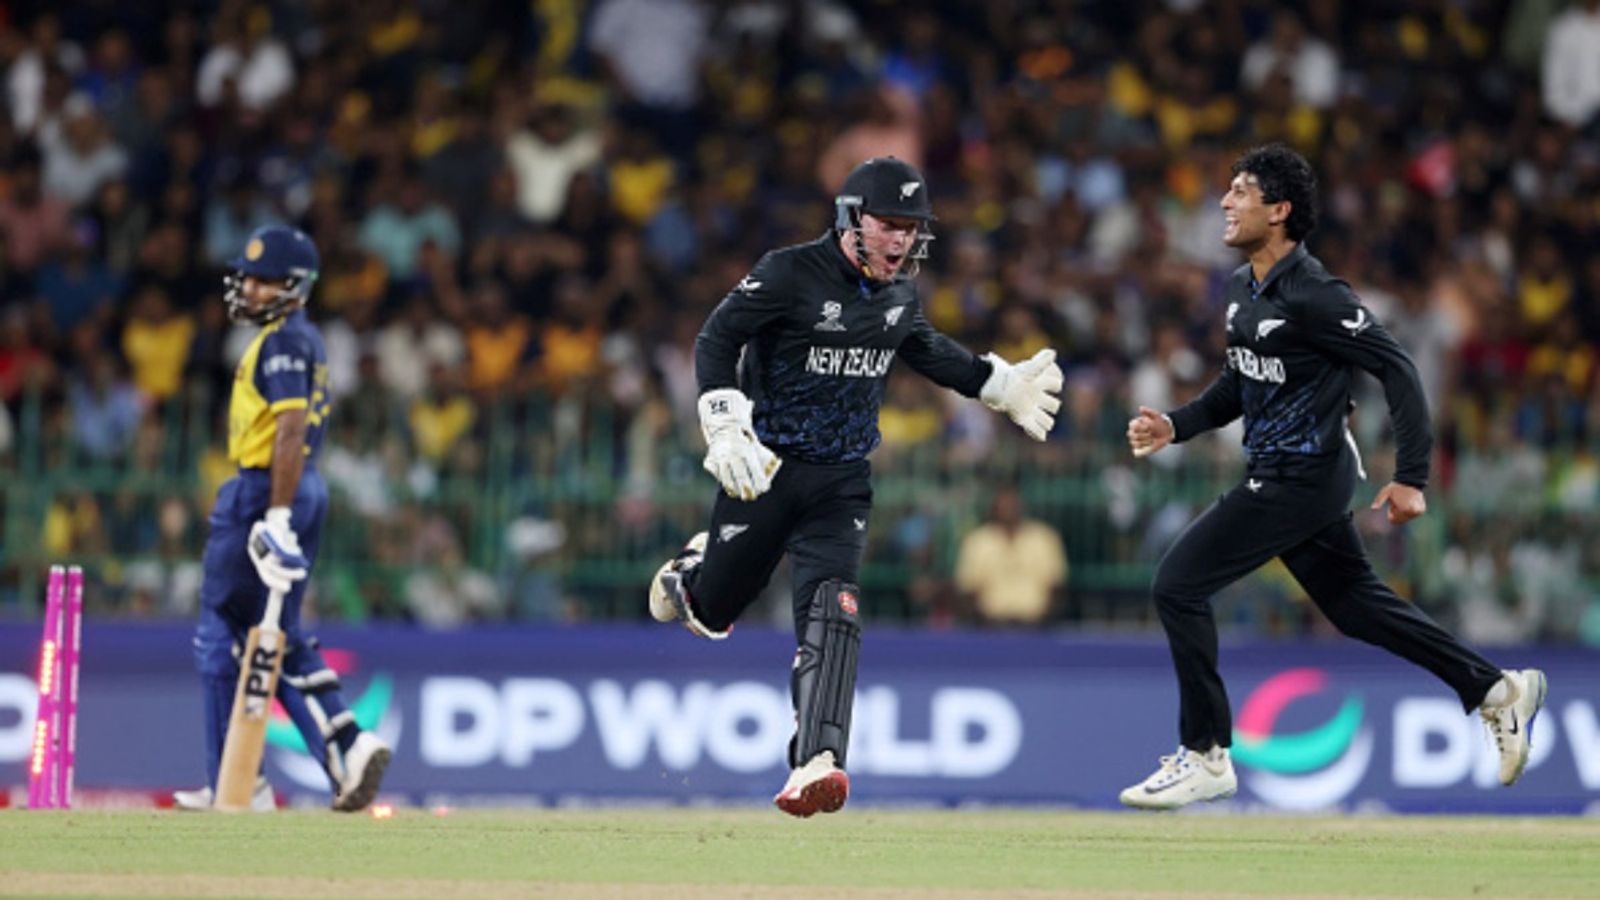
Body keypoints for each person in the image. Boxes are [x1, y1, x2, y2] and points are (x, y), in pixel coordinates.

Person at [1120, 144, 1546, 810]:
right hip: (1282, 474)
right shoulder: (1240, 291)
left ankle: (1207, 753)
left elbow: (1398, 368)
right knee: (1354, 606)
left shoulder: (1319, 295)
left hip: (1302, 477)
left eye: (1241, 191)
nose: (1225, 202)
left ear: (1280, 210)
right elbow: (1240, 383)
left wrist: (1411, 477)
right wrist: (1178, 424)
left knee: (1177, 583)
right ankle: (1498, 691)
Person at [647, 157, 1064, 817]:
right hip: (766, 470)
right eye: (888, 224)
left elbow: (926, 348)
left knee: (833, 611)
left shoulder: (899, 297)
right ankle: (691, 576)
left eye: (911, 228)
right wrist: (724, 425)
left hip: (842, 483)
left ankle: (816, 760)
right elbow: (718, 336)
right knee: (711, 613)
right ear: (852, 218)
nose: (900, 241)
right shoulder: (789, 272)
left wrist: (998, 384)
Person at [174, 224, 391, 812]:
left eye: (263, 280)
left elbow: (290, 431)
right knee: (272, 635)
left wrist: (273, 513)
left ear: (295, 288)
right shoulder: (301, 338)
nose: (249, 287)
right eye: (248, 277)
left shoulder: (284, 343)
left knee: (222, 628)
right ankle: (340, 749)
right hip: (290, 488)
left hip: (265, 487)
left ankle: (239, 780)